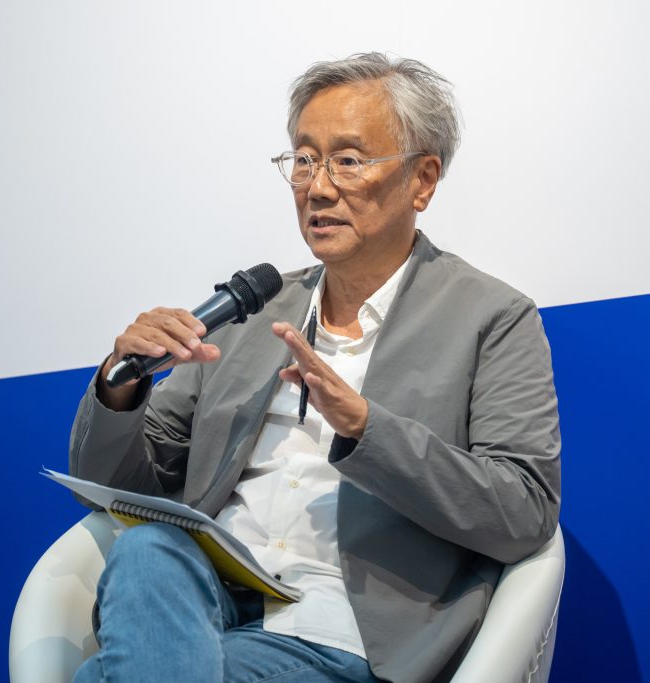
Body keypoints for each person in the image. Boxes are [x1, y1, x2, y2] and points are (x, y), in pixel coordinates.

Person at [68, 52, 561, 683]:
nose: (318, 188)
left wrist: (367, 430)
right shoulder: (252, 310)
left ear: (423, 180)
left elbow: (523, 513)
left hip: (342, 633)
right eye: (303, 160)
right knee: (146, 547)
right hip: (204, 603)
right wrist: (122, 384)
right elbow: (116, 486)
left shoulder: (493, 318)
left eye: (347, 161)